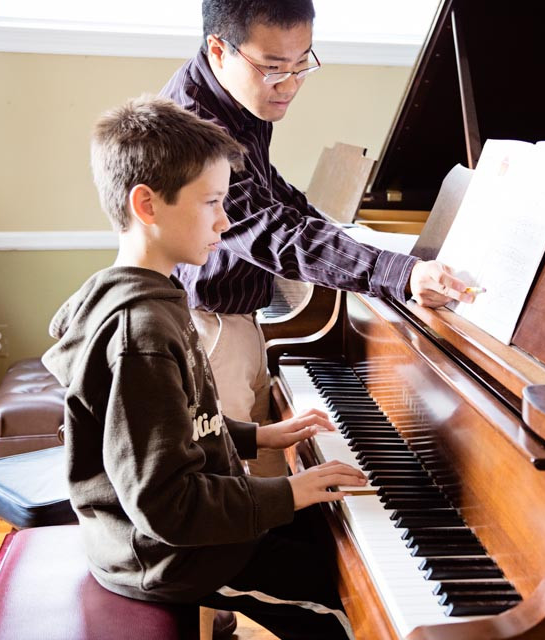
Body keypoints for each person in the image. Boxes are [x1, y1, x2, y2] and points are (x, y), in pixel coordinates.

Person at [42, 95, 366, 640]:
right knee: (347, 611)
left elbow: (174, 426)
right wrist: (289, 492)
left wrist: (256, 436)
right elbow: (166, 504)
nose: (225, 219)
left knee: (328, 530)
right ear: (147, 205)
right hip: (171, 558)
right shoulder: (140, 335)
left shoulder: (152, 295)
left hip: (189, 530)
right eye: (212, 201)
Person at [160, 0, 474, 476]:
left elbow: (267, 189)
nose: (289, 85)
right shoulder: (198, 129)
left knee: (265, 477)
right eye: (273, 68)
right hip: (210, 328)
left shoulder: (234, 92)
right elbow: (269, 231)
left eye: (302, 63)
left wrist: (349, 236)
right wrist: (397, 272)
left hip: (235, 317)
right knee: (232, 490)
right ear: (219, 50)